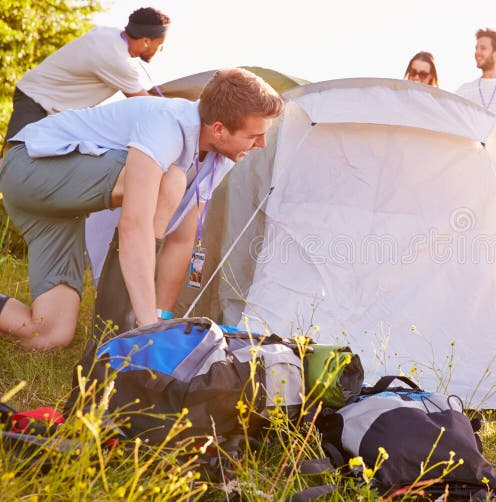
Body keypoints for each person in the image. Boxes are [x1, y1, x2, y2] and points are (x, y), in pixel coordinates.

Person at [0, 68, 284, 350]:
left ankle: (130, 330)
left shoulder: (218, 160)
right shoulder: (166, 123)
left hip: (59, 207)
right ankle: (116, 334)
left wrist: (161, 318)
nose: (261, 144)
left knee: (49, 334)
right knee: (169, 181)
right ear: (219, 129)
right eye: (255, 135)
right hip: (29, 166)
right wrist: (147, 325)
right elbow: (135, 225)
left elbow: (182, 240)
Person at [4, 7, 170, 143]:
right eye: (160, 45)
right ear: (146, 41)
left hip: (52, 108)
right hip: (36, 99)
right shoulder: (115, 59)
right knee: (13, 158)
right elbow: (147, 106)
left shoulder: (108, 35)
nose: (160, 50)